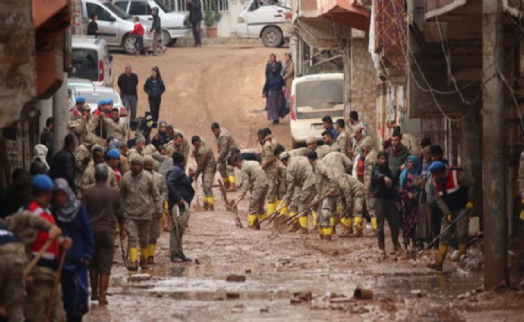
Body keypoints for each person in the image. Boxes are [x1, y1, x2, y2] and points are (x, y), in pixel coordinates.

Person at [22, 174, 71, 322]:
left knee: (58, 316)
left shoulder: (46, 212)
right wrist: (27, 273)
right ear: (48, 194)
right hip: (37, 273)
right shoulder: (31, 213)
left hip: (52, 272)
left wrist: (61, 242)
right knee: (36, 314)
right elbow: (24, 245)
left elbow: (49, 237)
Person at [0, 210, 62, 322]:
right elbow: (25, 216)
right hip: (17, 253)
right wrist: (50, 228)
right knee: (15, 310)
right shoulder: (5, 222)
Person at [83, 164, 125, 306]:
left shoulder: (87, 192)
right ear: (107, 177)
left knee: (93, 264)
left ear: (95, 176)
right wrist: (123, 230)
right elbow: (120, 213)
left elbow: (82, 214)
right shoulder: (114, 192)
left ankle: (94, 293)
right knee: (105, 266)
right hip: (108, 232)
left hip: (91, 232)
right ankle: (102, 296)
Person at [52, 178, 94, 322]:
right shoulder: (54, 212)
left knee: (80, 294)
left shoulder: (78, 209)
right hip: (60, 262)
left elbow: (87, 232)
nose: (60, 198)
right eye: (56, 195)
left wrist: (88, 254)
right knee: (64, 298)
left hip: (79, 258)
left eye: (62, 194)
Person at [426, 161, 475, 272]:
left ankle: (463, 259)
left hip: (462, 207)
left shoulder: (457, 174)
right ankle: (438, 262)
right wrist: (447, 213)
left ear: (442, 172)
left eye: (435, 174)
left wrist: (470, 201)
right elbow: (439, 200)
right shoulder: (434, 182)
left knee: (461, 233)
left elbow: (472, 184)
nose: (434, 177)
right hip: (449, 209)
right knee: (444, 234)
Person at [121, 155, 162, 270]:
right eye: (133, 164)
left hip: (146, 214)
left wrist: (159, 209)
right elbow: (122, 196)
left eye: (137, 164)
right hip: (130, 214)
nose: (135, 167)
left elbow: (156, 195)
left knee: (144, 239)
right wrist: (121, 213)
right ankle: (133, 261)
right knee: (132, 238)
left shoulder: (148, 177)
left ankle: (143, 260)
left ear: (142, 166)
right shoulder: (125, 178)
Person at [166, 153, 195, 262]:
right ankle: (174, 254)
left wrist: (190, 178)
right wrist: (178, 199)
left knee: (180, 228)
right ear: (183, 161)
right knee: (175, 228)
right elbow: (170, 183)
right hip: (177, 204)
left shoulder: (178, 171)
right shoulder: (175, 170)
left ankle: (179, 252)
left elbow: (181, 185)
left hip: (180, 203)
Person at [371, 152, 401, 255]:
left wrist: (396, 200)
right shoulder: (375, 169)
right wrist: (384, 178)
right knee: (380, 225)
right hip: (379, 199)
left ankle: (396, 244)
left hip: (389, 200)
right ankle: (381, 247)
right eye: (382, 159)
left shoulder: (388, 171)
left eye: (385, 159)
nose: (384, 161)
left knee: (394, 224)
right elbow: (377, 175)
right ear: (378, 159)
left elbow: (393, 186)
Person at [280, 152, 316, 233]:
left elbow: (290, 186)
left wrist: (288, 200)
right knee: (299, 203)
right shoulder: (297, 158)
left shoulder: (290, 168)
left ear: (284, 161)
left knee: (303, 202)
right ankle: (296, 225)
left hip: (309, 182)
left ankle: (303, 228)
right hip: (311, 180)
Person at [231, 155, 268, 229]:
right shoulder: (253, 162)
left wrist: (242, 194)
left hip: (258, 185)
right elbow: (253, 175)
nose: (237, 167)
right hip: (266, 184)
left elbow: (246, 182)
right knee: (260, 206)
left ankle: (251, 225)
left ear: (239, 162)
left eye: (236, 165)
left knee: (252, 205)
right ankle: (266, 223)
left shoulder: (244, 168)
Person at [143, 155, 168, 264]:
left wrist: (161, 201)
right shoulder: (137, 177)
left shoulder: (159, 177)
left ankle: (151, 256)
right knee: (143, 235)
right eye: (146, 165)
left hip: (155, 211)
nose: (148, 167)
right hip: (141, 211)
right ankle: (143, 256)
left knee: (154, 234)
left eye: (150, 165)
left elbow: (164, 190)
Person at [397, 155, 420, 249]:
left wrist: (415, 195)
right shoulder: (403, 174)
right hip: (405, 202)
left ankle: (415, 242)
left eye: (411, 162)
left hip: (414, 202)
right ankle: (406, 243)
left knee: (414, 222)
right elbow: (399, 188)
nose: (409, 164)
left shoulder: (417, 174)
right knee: (405, 222)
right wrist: (407, 193)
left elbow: (419, 188)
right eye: (408, 162)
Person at [190, 136, 217, 211]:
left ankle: (211, 206)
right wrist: (194, 152)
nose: (196, 146)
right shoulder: (201, 141)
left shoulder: (203, 151)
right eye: (194, 145)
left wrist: (196, 175)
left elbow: (200, 165)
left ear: (199, 141)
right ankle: (206, 204)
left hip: (209, 166)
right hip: (205, 165)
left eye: (196, 144)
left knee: (207, 185)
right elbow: (195, 148)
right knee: (205, 186)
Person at [258, 129, 277, 218]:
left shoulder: (266, 145)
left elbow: (270, 158)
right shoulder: (268, 143)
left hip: (270, 172)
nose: (257, 138)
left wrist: (263, 166)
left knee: (271, 193)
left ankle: (271, 214)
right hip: (270, 171)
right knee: (271, 191)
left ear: (261, 135)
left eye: (258, 136)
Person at [211, 123, 237, 189]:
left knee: (229, 167)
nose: (213, 133)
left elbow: (223, 150)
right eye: (213, 131)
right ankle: (226, 184)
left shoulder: (223, 135)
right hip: (225, 152)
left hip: (231, 152)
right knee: (220, 167)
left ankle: (232, 185)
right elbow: (220, 145)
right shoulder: (218, 133)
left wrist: (218, 159)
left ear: (218, 129)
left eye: (214, 131)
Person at [362, 137, 378, 236]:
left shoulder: (369, 157)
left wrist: (367, 187)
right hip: (377, 185)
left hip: (371, 186)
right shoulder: (376, 154)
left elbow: (368, 174)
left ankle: (375, 230)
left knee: (372, 209)